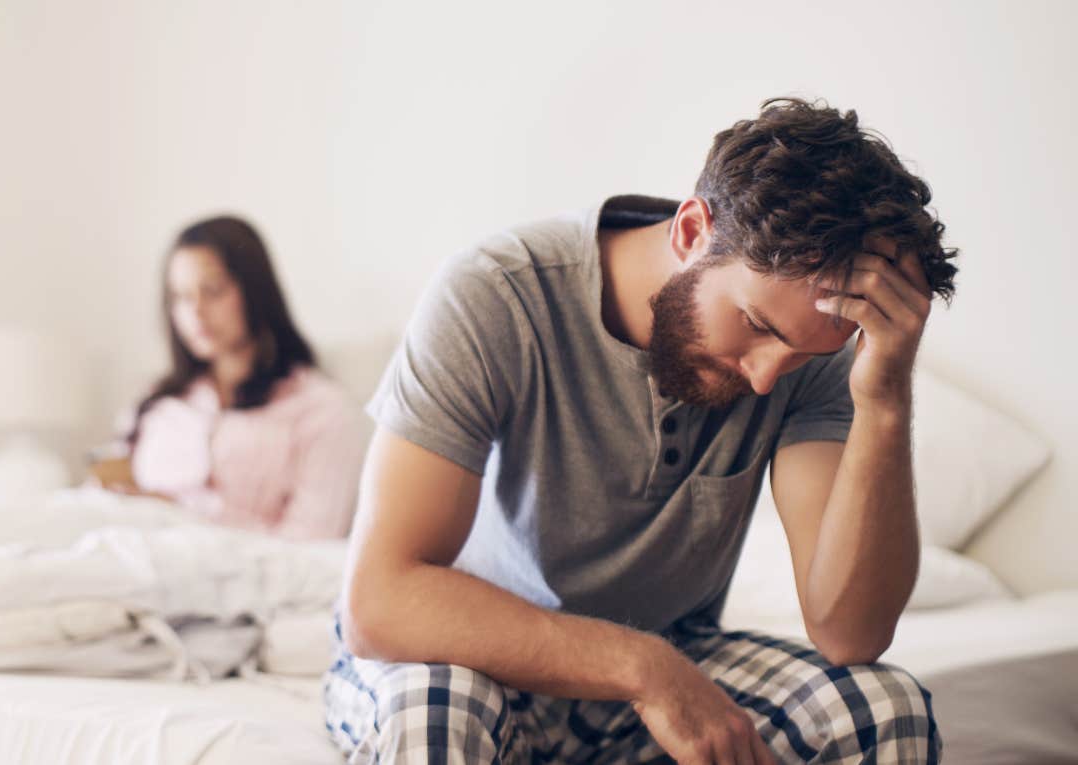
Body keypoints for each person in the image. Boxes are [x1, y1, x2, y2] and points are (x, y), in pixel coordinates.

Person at [327, 98, 958, 763]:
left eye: (805, 353)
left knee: (884, 710)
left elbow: (848, 633)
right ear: (691, 231)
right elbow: (381, 600)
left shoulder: (807, 355)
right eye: (757, 325)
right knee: (437, 712)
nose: (769, 376)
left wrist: (884, 399)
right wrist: (643, 667)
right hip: (468, 657)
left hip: (661, 672)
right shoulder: (494, 295)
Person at [89, 215, 367, 540]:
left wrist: (177, 513)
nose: (196, 311)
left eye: (213, 290)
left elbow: (312, 546)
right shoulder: (155, 402)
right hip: (123, 554)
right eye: (180, 296)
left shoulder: (322, 411)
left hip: (224, 576)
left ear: (254, 291)